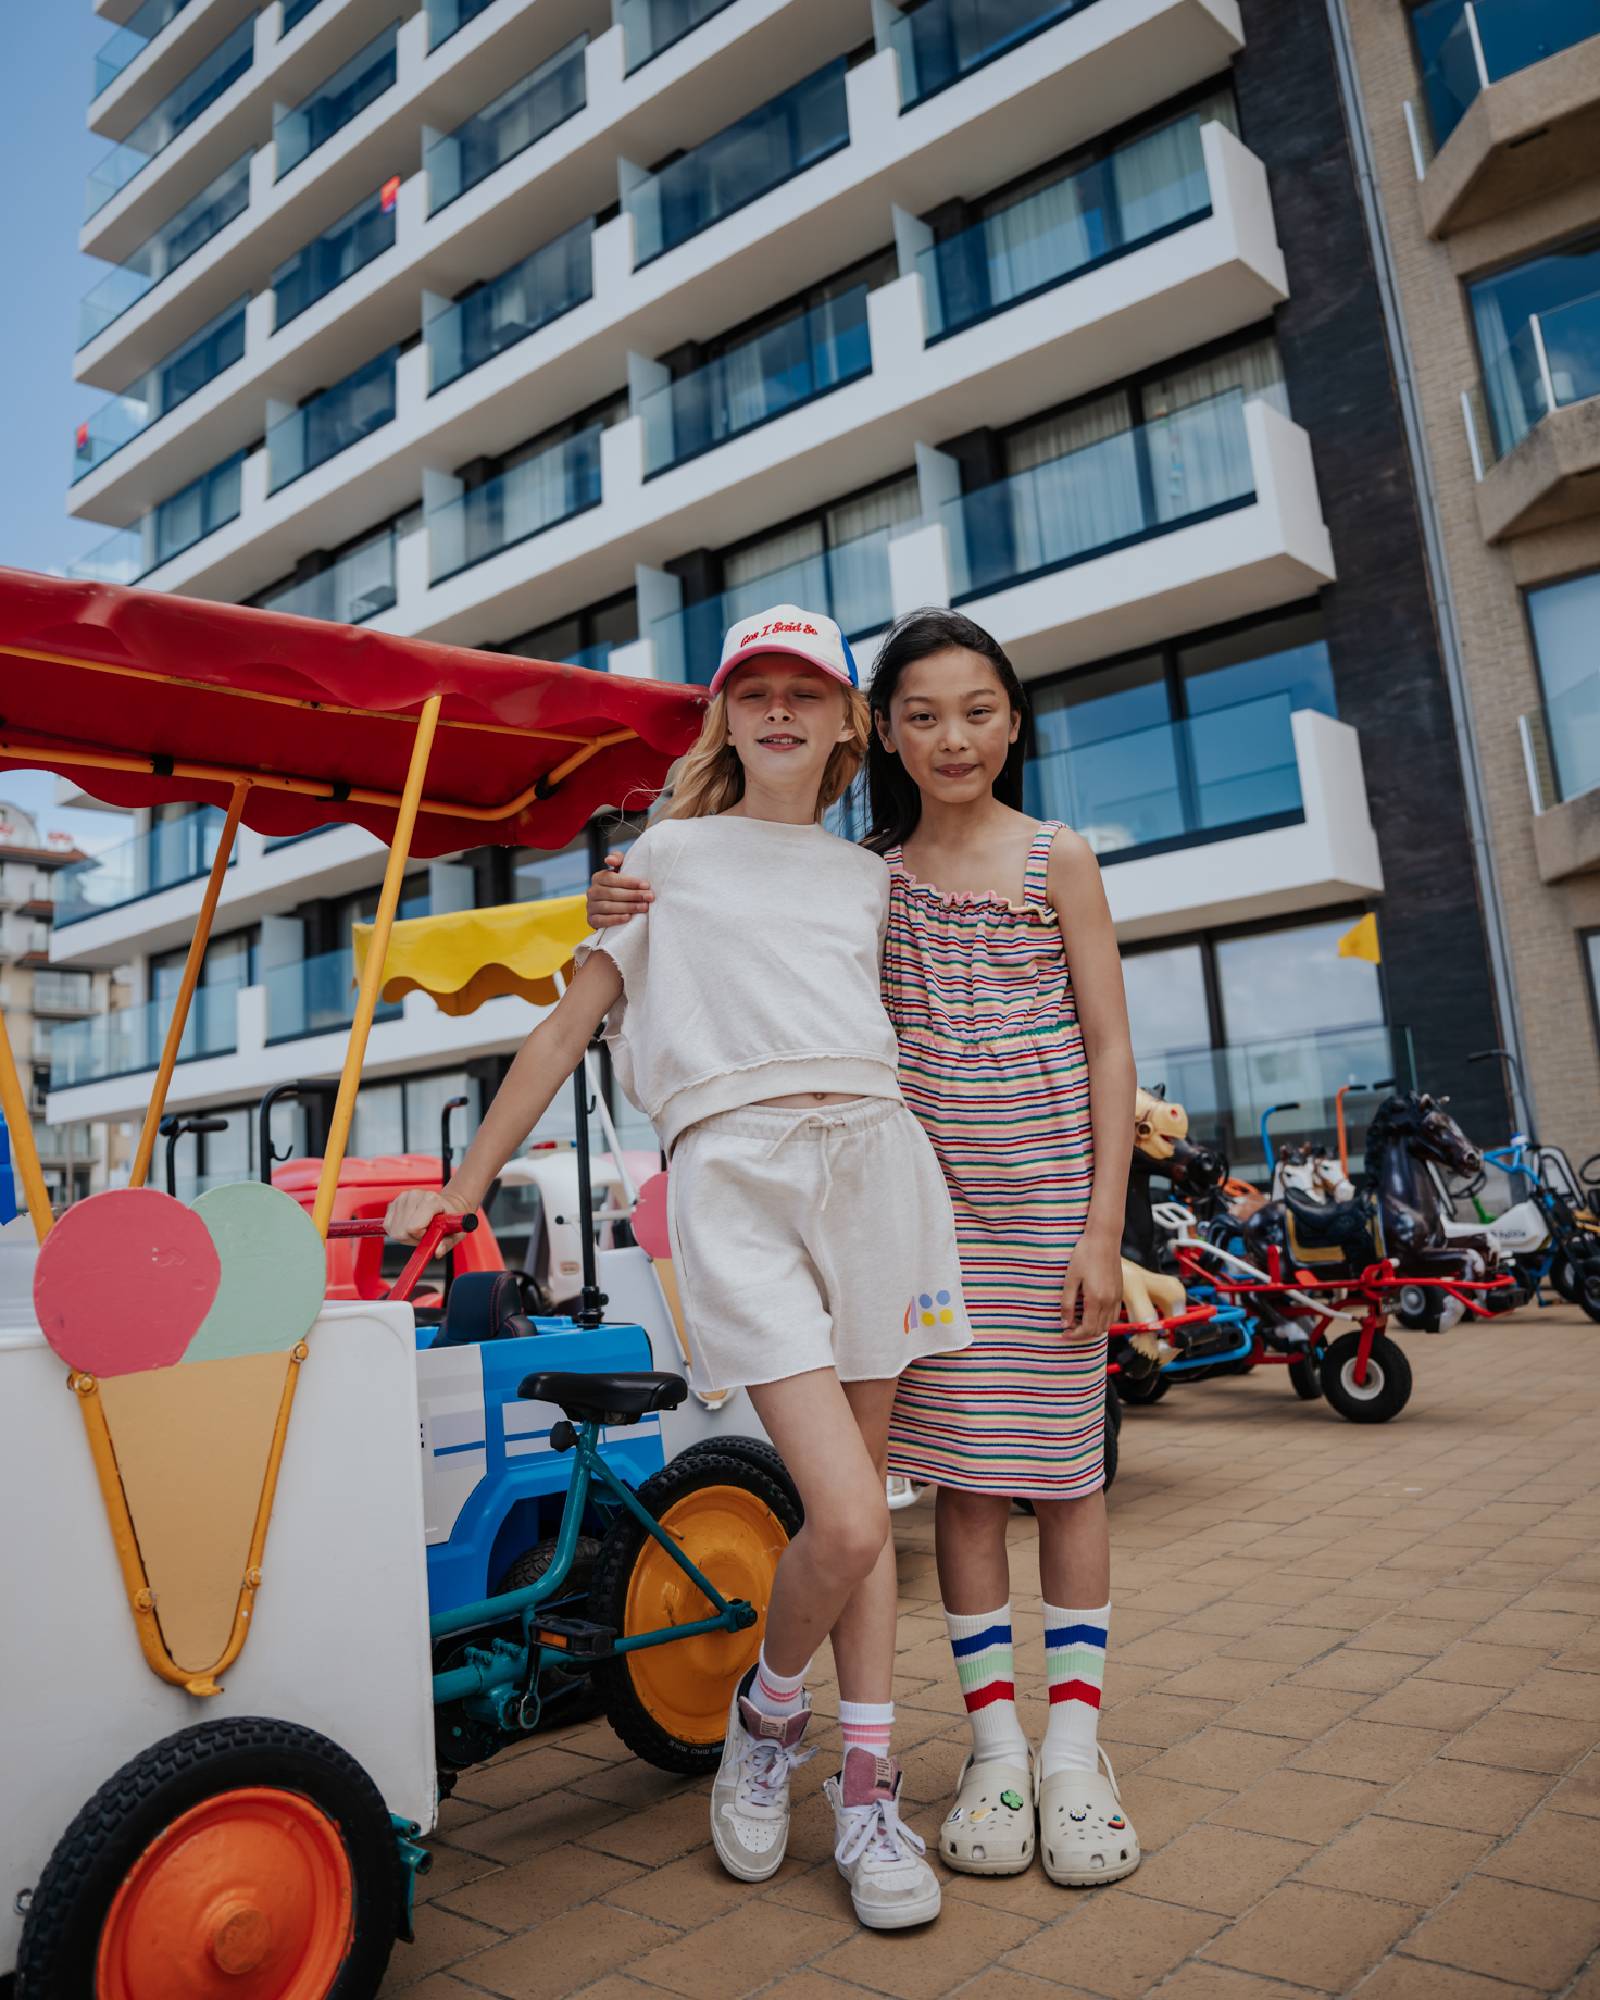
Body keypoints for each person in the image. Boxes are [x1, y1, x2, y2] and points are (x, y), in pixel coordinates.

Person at [387, 604, 969, 1933]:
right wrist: (466, 1186)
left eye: (805, 692)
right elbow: (561, 1033)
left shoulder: (874, 877)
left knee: (863, 1509)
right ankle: (771, 1712)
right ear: (725, 716)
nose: (779, 708)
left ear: (844, 724)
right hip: (733, 1177)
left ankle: (863, 1788)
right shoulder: (664, 859)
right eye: (752, 689)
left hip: (877, 1162)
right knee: (853, 1515)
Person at [588, 607, 1141, 1889]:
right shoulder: (868, 873)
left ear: (1013, 718)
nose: (954, 736)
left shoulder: (1057, 856)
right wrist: (617, 892)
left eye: (980, 710)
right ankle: (993, 1743)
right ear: (881, 730)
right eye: (924, 713)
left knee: (1064, 1473)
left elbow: (1111, 1045)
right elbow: (747, 945)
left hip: (1054, 1206)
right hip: (919, 1217)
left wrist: (1104, 1225)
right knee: (958, 1482)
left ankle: (1074, 1746)